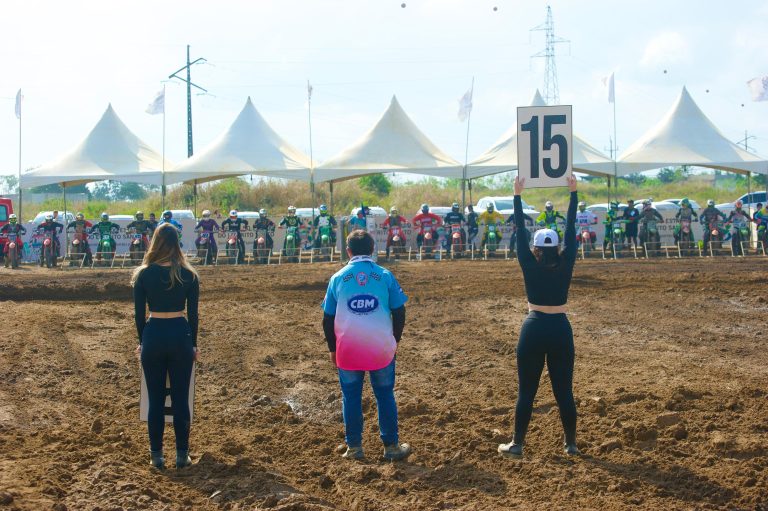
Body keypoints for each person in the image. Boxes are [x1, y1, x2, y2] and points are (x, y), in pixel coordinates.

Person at [498, 174, 579, 459]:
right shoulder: (566, 262)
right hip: (560, 327)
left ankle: (517, 444)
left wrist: (517, 197)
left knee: (526, 392)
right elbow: (571, 230)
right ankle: (570, 444)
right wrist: (573, 194)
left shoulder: (528, 263)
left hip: (533, 328)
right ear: (557, 248)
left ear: (535, 249)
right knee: (564, 392)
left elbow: (519, 231)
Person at [321, 229, 410, 461]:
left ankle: (354, 448)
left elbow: (327, 319)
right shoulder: (385, 275)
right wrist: (395, 340)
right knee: (385, 395)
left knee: (350, 396)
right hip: (380, 348)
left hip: (348, 350)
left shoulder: (337, 278)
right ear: (372, 250)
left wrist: (332, 349)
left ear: (348, 251)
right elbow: (399, 311)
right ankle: (391, 447)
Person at [132, 223, 200, 470]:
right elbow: (194, 316)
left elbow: (139, 316)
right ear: (177, 243)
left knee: (156, 400)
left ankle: (156, 456)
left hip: (154, 334)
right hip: (180, 334)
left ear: (155, 242)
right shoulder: (189, 275)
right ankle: (182, 455)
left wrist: (142, 342)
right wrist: (194, 344)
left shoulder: (143, 274)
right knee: (181, 399)